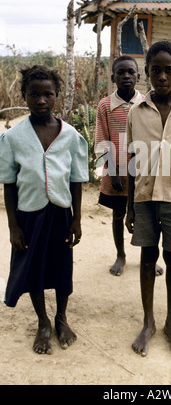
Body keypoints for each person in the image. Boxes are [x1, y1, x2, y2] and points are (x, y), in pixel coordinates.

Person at [0, 65, 89, 354]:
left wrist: (77, 219)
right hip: (29, 215)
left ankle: (61, 317)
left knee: (62, 268)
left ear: (57, 96)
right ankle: (42, 323)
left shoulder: (71, 135)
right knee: (32, 269)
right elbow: (9, 184)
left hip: (61, 214)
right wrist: (13, 226)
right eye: (34, 94)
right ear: (24, 96)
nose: (41, 100)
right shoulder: (13, 137)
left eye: (47, 94)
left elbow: (76, 180)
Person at [126, 41, 171, 357]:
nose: (162, 76)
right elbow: (131, 160)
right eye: (155, 70)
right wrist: (129, 205)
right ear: (147, 73)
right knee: (146, 257)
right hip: (143, 198)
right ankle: (148, 322)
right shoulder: (136, 111)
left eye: (168, 70)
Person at [95, 56, 163, 277]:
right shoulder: (105, 105)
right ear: (113, 76)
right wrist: (113, 171)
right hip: (117, 173)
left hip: (142, 174)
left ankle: (149, 258)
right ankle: (120, 254)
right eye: (121, 72)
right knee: (118, 214)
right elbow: (102, 140)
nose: (126, 76)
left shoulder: (146, 102)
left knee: (146, 215)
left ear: (139, 76)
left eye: (130, 72)